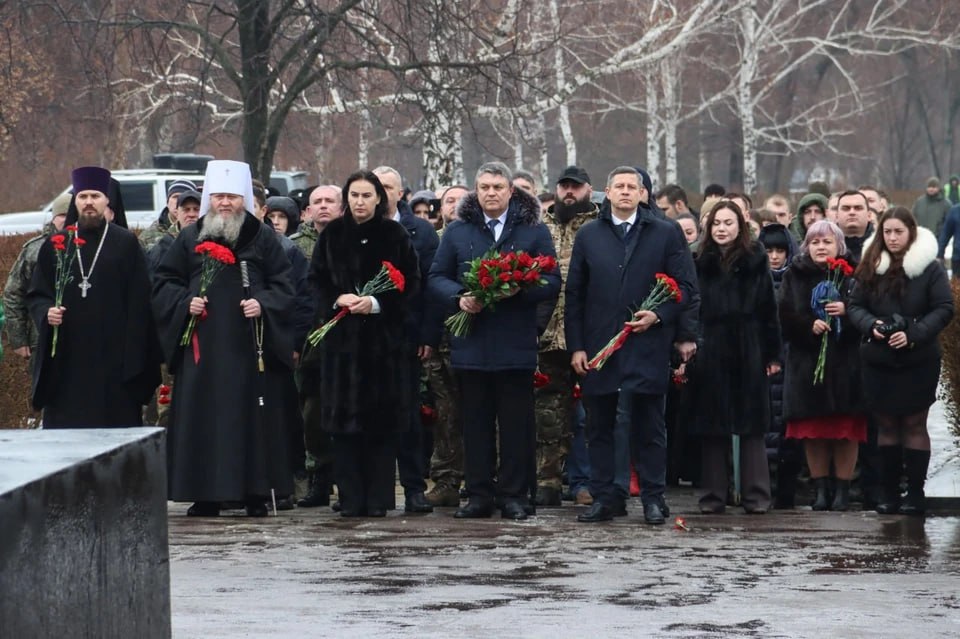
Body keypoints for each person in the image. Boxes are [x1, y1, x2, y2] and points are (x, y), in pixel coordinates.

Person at [153, 160, 297, 517]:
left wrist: (262, 303)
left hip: (249, 346)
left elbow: (285, 284)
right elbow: (164, 283)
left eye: (232, 197)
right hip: (204, 348)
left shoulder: (262, 237)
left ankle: (255, 493)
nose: (224, 203)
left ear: (244, 199)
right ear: (208, 199)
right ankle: (206, 494)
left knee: (251, 419)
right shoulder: (190, 236)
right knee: (203, 419)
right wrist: (187, 302)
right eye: (218, 196)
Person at [428, 162, 561, 520]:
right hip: (472, 344)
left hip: (515, 344)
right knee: (475, 424)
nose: (491, 192)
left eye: (497, 187)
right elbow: (436, 277)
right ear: (476, 190)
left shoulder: (532, 231)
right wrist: (459, 297)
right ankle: (479, 495)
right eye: (484, 186)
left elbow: (552, 281)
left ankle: (514, 495)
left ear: (510, 191)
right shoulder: (458, 231)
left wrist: (520, 289)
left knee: (516, 425)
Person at [565, 167, 697, 524]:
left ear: (642, 193)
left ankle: (654, 498)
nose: (625, 192)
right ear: (606, 192)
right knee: (600, 425)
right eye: (619, 186)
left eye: (632, 187)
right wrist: (576, 346)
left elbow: (685, 286)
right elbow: (574, 294)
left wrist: (660, 316)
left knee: (649, 425)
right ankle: (606, 497)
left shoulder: (665, 232)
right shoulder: (590, 234)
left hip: (648, 343)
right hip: (600, 346)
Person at [299, 170, 421, 517]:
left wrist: (376, 303)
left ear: (379, 199)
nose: (360, 202)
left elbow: (411, 283)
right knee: (344, 427)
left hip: (382, 347)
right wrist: (337, 299)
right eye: (354, 195)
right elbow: (315, 281)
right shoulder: (333, 235)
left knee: (380, 427)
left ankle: (379, 499)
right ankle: (350, 498)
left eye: (367, 195)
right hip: (342, 346)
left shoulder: (394, 234)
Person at [27, 166, 161, 428]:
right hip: (67, 360)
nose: (89, 202)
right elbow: (38, 294)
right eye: (83, 196)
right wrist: (46, 313)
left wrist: (134, 358)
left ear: (106, 200)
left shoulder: (126, 243)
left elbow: (141, 302)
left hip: (114, 362)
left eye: (95, 196)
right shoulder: (57, 244)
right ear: (76, 200)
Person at [848, 208, 954, 516]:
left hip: (918, 357)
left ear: (911, 233)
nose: (892, 238)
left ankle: (915, 492)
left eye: (898, 232)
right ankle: (889, 492)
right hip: (878, 357)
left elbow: (944, 308)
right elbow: (855, 305)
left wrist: (913, 333)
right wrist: (873, 326)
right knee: (886, 424)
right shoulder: (871, 265)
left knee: (914, 423)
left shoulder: (929, 269)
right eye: (887, 232)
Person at [689, 200, 782, 514]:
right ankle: (713, 496)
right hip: (711, 347)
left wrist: (772, 354)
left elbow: (769, 310)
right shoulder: (699, 260)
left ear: (740, 226)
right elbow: (692, 307)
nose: (721, 229)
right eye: (716, 223)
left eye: (728, 223)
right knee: (712, 425)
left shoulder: (756, 259)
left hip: (748, 346)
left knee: (752, 425)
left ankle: (756, 496)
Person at [779, 221, 865, 511]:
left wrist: (846, 312)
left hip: (846, 365)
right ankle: (820, 489)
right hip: (807, 365)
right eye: (815, 242)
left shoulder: (852, 275)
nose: (820, 247)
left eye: (826, 242)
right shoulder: (795, 274)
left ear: (838, 245)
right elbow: (786, 314)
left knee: (845, 431)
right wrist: (807, 325)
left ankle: (842, 490)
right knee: (813, 431)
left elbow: (868, 312)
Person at [374, 166, 441, 513]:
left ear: (401, 193)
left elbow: (430, 287)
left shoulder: (421, 232)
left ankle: (414, 487)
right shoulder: (353, 231)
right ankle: (372, 489)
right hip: (365, 338)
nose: (382, 193)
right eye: (377, 186)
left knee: (407, 414)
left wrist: (426, 333)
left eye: (389, 187)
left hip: (405, 336)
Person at [535, 165, 598, 507]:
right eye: (564, 187)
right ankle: (547, 480)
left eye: (576, 187)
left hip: (589, 335)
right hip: (546, 335)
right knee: (548, 412)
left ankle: (586, 482)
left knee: (591, 414)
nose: (569, 193)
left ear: (589, 189)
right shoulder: (539, 226)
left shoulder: (599, 227)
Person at [423, 184, 469, 507]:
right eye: (449, 200)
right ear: (440, 208)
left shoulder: (477, 236)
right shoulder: (432, 241)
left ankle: (485, 476)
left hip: (474, 337)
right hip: (439, 340)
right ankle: (447, 479)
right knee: (446, 413)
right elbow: (426, 293)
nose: (455, 204)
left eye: (462, 200)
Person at [3, 192, 70, 368]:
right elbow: (13, 293)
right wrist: (18, 339)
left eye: (71, 214)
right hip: (40, 337)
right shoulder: (35, 250)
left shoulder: (85, 248)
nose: (66, 220)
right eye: (62, 215)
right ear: (54, 217)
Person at [140, 179, 198, 252]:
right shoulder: (148, 236)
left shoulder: (202, 233)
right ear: (167, 202)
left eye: (184, 198)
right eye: (175, 197)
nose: (179, 202)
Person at [291, 185, 342, 260]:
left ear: (342, 208)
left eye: (329, 201)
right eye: (317, 202)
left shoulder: (353, 240)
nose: (323, 206)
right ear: (309, 211)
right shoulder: (293, 244)